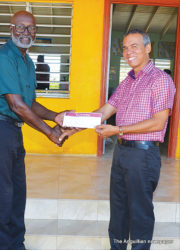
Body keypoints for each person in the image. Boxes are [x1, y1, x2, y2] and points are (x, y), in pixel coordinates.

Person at [59, 29, 175, 250]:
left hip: (143, 156)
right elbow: (103, 112)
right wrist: (72, 129)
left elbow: (159, 122)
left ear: (148, 48)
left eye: (134, 46)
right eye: (124, 47)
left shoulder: (160, 80)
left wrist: (118, 130)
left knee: (140, 214)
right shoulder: (128, 81)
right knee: (119, 211)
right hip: (122, 154)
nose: (128, 51)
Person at [0, 10, 66, 250]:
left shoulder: (26, 62)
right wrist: (50, 132)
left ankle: (16, 245)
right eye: (21, 27)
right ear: (11, 29)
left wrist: (56, 116)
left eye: (31, 28)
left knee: (16, 194)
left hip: (12, 129)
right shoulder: (3, 57)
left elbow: (29, 102)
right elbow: (16, 105)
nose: (26, 32)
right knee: (0, 197)